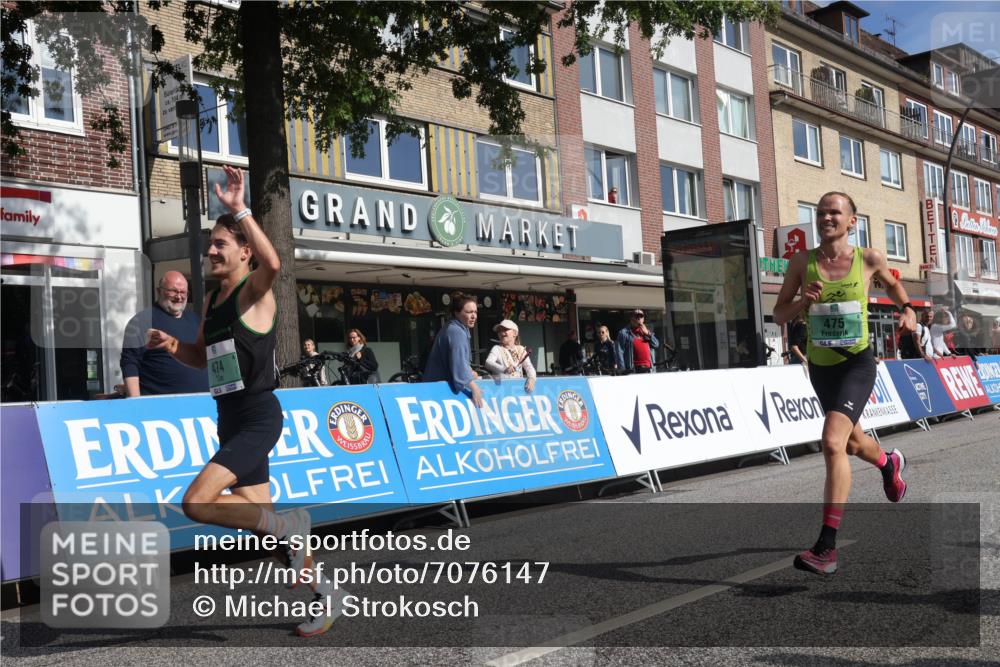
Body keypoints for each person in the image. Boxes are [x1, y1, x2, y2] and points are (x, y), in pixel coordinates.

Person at [146, 166, 334, 636]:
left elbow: (274, 266)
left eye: (219, 244)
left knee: (197, 502)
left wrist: (241, 210)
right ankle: (327, 595)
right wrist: (172, 347)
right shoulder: (213, 301)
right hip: (227, 418)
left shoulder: (255, 291)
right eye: (210, 244)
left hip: (257, 418)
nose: (210, 250)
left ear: (243, 251)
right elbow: (205, 357)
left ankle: (290, 524)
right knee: (271, 536)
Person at [774, 191, 915, 576]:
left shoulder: (868, 259)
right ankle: (889, 464)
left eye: (834, 213)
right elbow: (778, 314)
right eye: (820, 212)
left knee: (833, 443)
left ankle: (826, 548)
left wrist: (908, 311)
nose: (826, 218)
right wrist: (803, 302)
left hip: (857, 363)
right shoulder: (802, 263)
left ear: (852, 220)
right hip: (821, 366)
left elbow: (892, 287)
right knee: (852, 442)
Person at [119, 271, 208, 396]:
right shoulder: (142, 321)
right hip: (162, 406)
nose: (179, 296)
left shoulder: (195, 320)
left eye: (183, 292)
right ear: (159, 291)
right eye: (173, 291)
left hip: (202, 403)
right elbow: (129, 363)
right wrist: (136, 403)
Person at [422, 293, 484, 407]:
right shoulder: (456, 331)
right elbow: (459, 366)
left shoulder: (456, 328)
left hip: (436, 390)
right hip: (439, 392)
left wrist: (469, 372)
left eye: (475, 312)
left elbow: (461, 363)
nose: (474, 316)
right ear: (457, 313)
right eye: (469, 312)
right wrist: (474, 389)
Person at [484, 319, 536, 393]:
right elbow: (488, 362)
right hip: (501, 391)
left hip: (518, 390)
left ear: (515, 333)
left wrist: (532, 379)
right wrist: (504, 369)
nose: (502, 333)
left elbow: (529, 367)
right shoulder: (497, 348)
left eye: (505, 330)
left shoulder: (521, 349)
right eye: (499, 331)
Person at [615, 309, 660, 373]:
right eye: (636, 316)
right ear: (631, 319)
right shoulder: (623, 333)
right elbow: (619, 352)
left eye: (641, 316)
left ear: (643, 319)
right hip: (633, 369)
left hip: (649, 369)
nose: (639, 318)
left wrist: (648, 333)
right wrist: (622, 370)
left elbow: (656, 345)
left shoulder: (646, 331)